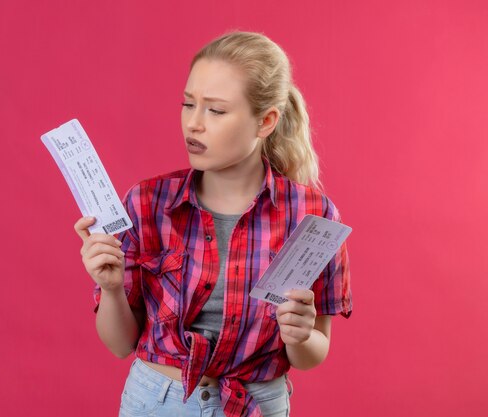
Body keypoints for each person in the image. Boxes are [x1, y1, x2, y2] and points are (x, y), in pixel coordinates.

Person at [74, 31, 352, 417]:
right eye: (188, 104)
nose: (194, 124)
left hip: (257, 403)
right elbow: (121, 344)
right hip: (156, 402)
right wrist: (111, 288)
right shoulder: (147, 202)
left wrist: (300, 334)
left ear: (266, 121)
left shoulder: (312, 217)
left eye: (215, 111)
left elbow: (310, 355)